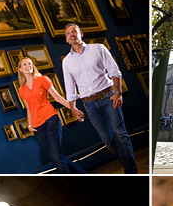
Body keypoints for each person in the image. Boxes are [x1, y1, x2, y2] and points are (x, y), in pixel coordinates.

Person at [62, 23, 137, 173]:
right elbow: (70, 89)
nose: (72, 34)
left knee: (120, 135)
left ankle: (131, 171)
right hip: (89, 104)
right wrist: (73, 108)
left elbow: (115, 71)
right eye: (68, 33)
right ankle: (128, 166)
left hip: (108, 97)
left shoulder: (98, 48)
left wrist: (118, 92)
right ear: (67, 40)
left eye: (74, 31)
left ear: (81, 34)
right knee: (108, 141)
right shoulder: (66, 61)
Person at [18, 57, 87, 174]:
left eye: (30, 63)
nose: (28, 66)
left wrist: (73, 108)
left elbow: (58, 98)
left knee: (57, 157)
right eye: (24, 64)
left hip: (50, 119)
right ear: (20, 69)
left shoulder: (43, 80)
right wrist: (29, 125)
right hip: (37, 127)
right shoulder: (21, 89)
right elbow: (29, 109)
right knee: (57, 157)